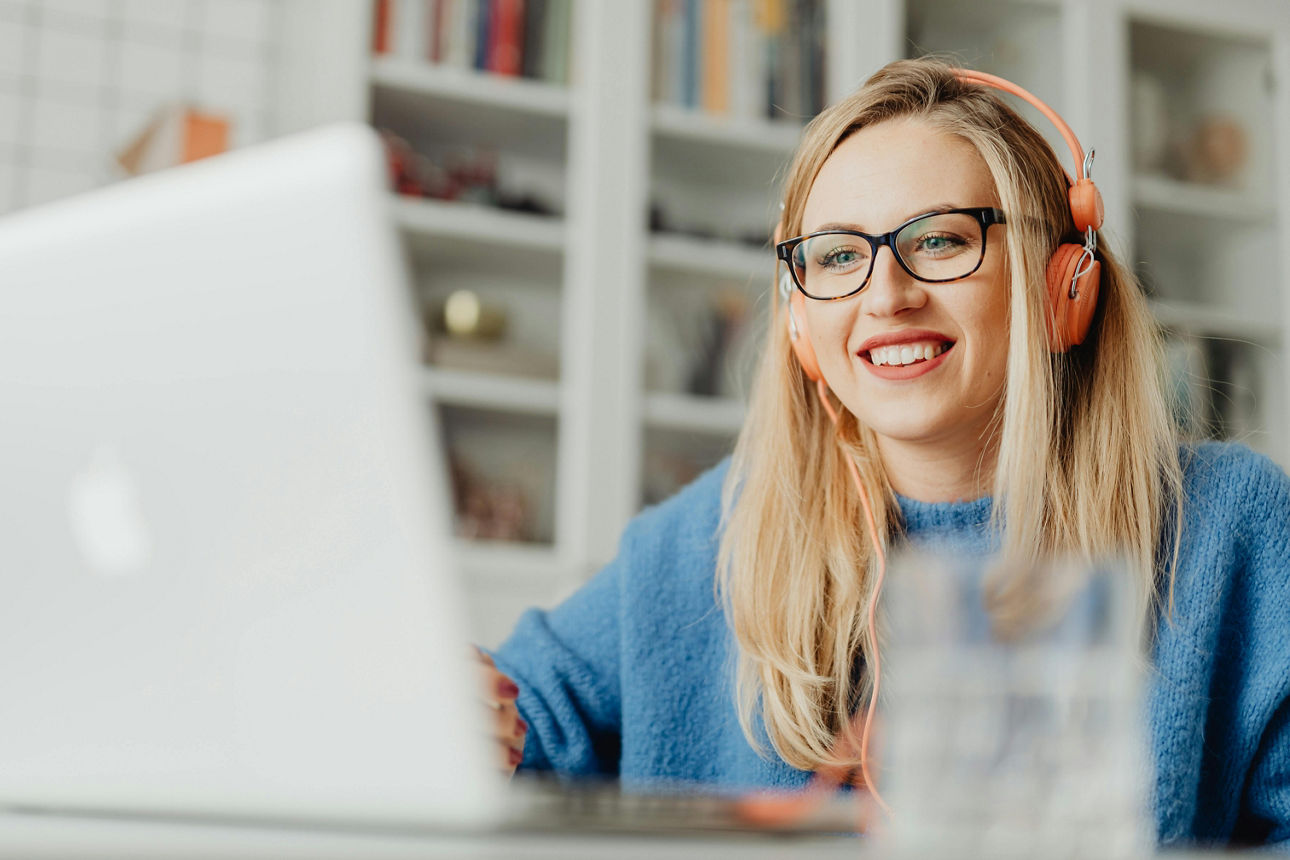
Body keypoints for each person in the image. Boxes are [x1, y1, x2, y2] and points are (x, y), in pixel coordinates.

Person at [476, 58, 1290, 849]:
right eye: (836, 255)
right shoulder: (709, 536)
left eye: (938, 240)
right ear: (801, 324)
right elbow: (522, 728)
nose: (886, 294)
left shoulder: (1231, 526)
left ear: (1061, 287)